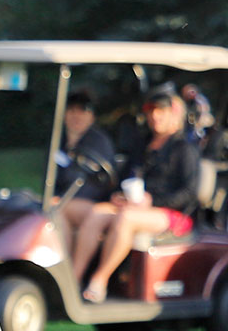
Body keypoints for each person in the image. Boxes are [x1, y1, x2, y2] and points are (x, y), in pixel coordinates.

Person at [72, 85, 200, 302]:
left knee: (125, 218)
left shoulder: (183, 148)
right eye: (151, 111)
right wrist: (117, 195)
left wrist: (152, 201)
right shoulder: (143, 145)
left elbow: (189, 193)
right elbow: (124, 177)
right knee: (97, 213)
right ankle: (73, 280)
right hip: (137, 207)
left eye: (160, 111)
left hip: (170, 212)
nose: (155, 116)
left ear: (172, 113)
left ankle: (99, 281)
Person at [54, 87, 117, 238]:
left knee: (57, 209)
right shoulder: (58, 143)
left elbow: (93, 185)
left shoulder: (98, 143)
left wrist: (60, 199)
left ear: (92, 116)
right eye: (72, 110)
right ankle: (63, 260)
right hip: (66, 202)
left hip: (96, 204)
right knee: (54, 216)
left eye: (82, 110)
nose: (76, 115)